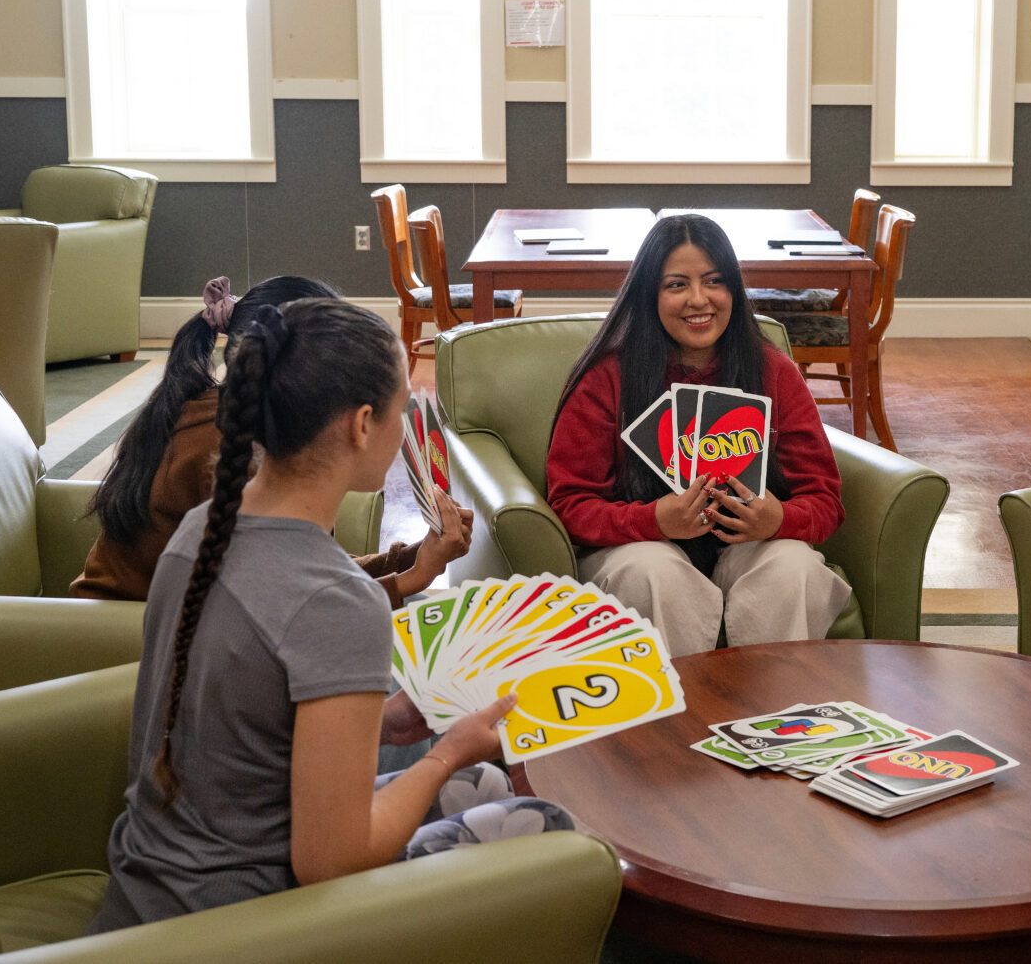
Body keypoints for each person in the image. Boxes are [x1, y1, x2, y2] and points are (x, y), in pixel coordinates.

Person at [90, 298, 573, 930]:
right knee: (549, 826)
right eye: (405, 405)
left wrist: (387, 725)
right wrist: (443, 753)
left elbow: (251, 725)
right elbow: (331, 862)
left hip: (154, 887)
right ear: (363, 423)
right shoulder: (337, 603)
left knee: (485, 783)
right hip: (246, 921)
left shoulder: (202, 529)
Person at [546, 214, 849, 658]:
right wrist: (651, 521)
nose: (698, 299)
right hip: (639, 551)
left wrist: (778, 519)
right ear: (649, 293)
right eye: (676, 285)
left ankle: (773, 714)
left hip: (746, 549)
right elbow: (569, 504)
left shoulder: (773, 371)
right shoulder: (606, 376)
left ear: (734, 290)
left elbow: (824, 500)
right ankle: (672, 723)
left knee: (793, 565)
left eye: (714, 280)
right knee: (652, 570)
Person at [75, 275, 467, 607]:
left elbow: (299, 573)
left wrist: (417, 558)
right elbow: (285, 609)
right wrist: (413, 577)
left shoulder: (249, 425)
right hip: (121, 645)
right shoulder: (234, 454)